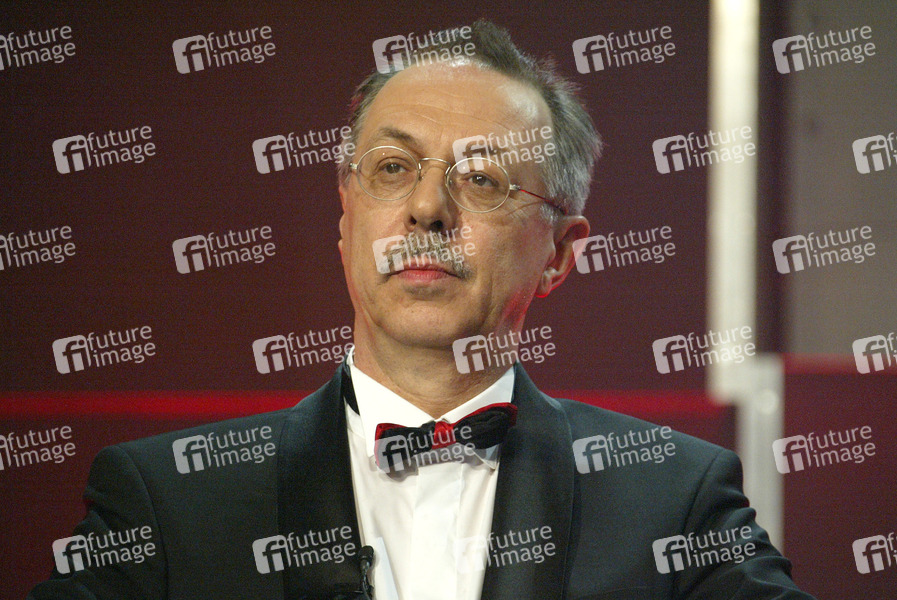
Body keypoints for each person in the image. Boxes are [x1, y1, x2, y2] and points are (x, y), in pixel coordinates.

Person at [29, 20, 816, 600]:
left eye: (482, 181)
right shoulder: (171, 501)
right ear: (346, 221)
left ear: (558, 253)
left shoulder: (672, 499)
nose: (427, 208)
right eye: (392, 168)